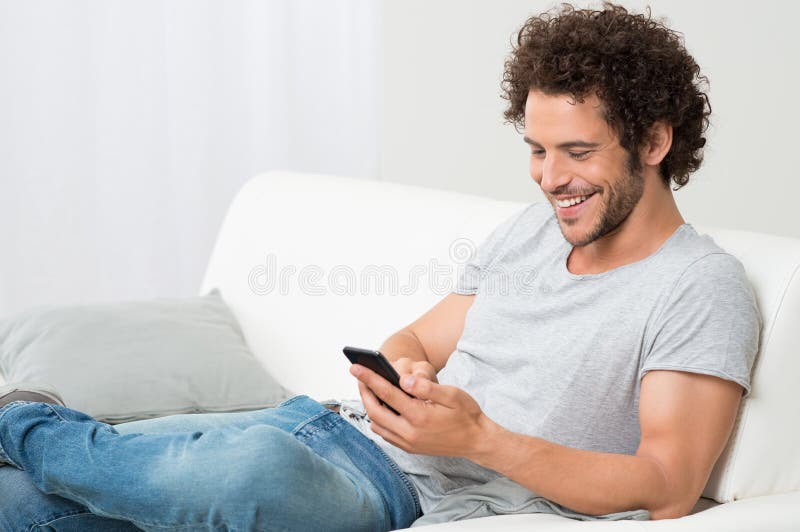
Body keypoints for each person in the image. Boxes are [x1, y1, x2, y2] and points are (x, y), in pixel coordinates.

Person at [0, 3, 759, 531]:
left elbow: (667, 484)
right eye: (536, 149)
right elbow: (418, 342)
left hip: (386, 488)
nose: (548, 177)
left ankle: (21, 417)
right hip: (327, 429)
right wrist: (407, 379)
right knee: (16, 505)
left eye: (578, 152)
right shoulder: (530, 233)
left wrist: (477, 439)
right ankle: (35, 432)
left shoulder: (700, 287)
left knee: (248, 474)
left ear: (655, 142)